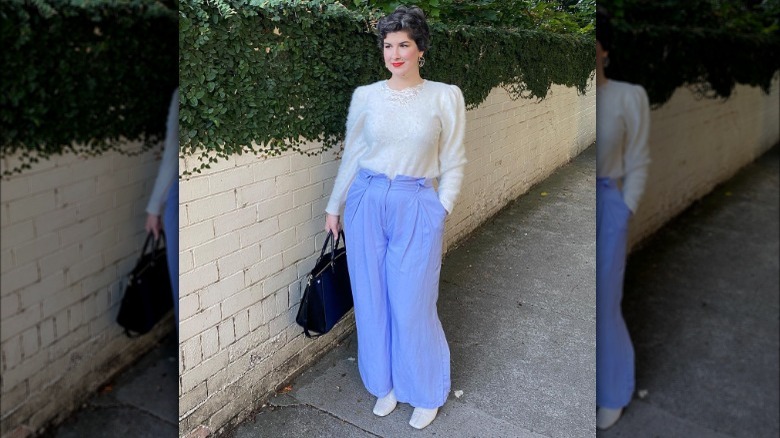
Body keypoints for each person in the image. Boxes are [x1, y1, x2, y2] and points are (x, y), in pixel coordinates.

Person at [323, 5, 466, 430]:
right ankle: (384, 384)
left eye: (404, 44)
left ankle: (423, 390)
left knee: (411, 304)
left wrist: (442, 208)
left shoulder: (445, 95)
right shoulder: (366, 96)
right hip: (367, 199)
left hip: (416, 202)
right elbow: (353, 153)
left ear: (420, 48)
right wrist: (335, 205)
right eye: (388, 45)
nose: (395, 53)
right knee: (370, 299)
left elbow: (454, 159)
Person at [595, 7, 651, 430]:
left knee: (606, 302)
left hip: (608, 201)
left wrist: (625, 205)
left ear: (604, 51)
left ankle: (614, 390)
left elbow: (639, 158)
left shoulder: (627, 96)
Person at [145, 88, 179, 322]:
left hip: (180, 194)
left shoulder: (183, 93)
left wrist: (153, 209)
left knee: (181, 284)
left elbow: (172, 153)